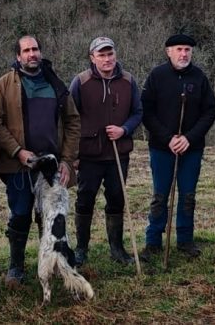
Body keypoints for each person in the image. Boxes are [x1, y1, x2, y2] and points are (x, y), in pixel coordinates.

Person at [0, 35, 80, 287]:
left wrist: (67, 160)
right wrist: (17, 151)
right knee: (21, 213)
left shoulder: (55, 84)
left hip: (51, 164)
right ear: (18, 56)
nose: (32, 54)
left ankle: (49, 263)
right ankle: (16, 267)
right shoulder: (5, 84)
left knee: (49, 216)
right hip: (19, 165)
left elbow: (73, 121)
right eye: (26, 50)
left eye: (35, 49)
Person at [141, 34, 215, 258]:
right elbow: (146, 110)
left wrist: (189, 138)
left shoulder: (199, 77)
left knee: (187, 196)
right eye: (179, 49)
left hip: (191, 149)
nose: (184, 54)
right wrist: (168, 138)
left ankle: (185, 241)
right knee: (160, 196)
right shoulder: (157, 76)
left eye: (187, 50)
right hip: (161, 148)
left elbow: (210, 110)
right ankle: (153, 241)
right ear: (168, 51)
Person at [69, 36, 143, 267]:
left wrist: (124, 129)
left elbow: (138, 112)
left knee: (116, 199)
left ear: (115, 55)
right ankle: (81, 249)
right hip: (89, 154)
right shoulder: (80, 82)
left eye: (110, 54)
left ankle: (117, 249)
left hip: (118, 153)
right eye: (101, 55)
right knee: (84, 200)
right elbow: (70, 118)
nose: (107, 59)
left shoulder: (128, 81)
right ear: (92, 58)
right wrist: (72, 155)